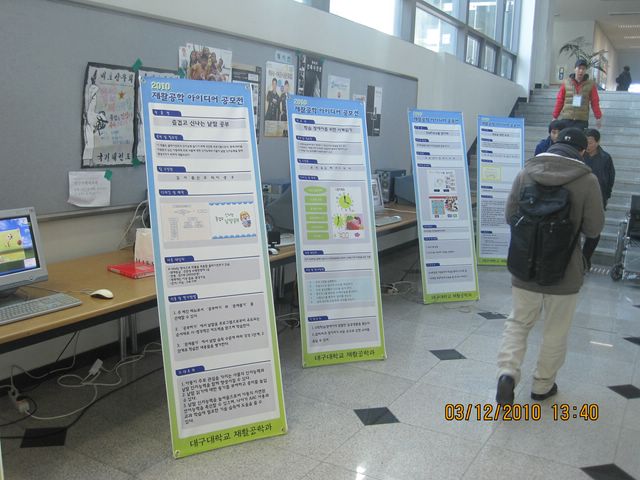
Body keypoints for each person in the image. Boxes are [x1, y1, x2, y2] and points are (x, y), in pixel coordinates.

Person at [496, 128, 604, 405]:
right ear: (582, 151)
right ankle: (542, 386)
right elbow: (594, 229)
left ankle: (507, 374)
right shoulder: (588, 180)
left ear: (554, 144)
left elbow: (509, 216)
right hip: (565, 271)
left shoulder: (526, 172)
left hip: (525, 265)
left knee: (518, 322)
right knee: (555, 330)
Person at [582, 128, 615, 270]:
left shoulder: (605, 158)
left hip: (597, 200)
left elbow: (610, 179)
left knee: (594, 232)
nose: (587, 146)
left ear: (597, 142)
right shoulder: (579, 155)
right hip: (580, 199)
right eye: (585, 142)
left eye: (590, 142)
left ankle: (585, 258)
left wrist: (605, 197)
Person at [552, 59, 602, 130]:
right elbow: (560, 100)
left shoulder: (590, 84)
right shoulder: (566, 83)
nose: (581, 71)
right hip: (567, 119)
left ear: (585, 70)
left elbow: (595, 102)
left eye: (583, 69)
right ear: (575, 69)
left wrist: (598, 117)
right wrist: (555, 116)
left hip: (582, 120)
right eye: (579, 68)